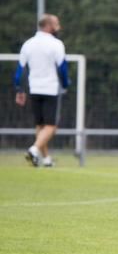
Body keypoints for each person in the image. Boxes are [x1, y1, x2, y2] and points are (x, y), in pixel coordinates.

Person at [14, 14, 70, 168]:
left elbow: (20, 70)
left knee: (40, 126)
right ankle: (33, 149)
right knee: (51, 126)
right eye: (56, 24)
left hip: (34, 88)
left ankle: (45, 159)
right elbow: (62, 68)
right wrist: (65, 84)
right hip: (50, 88)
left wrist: (19, 89)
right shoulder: (56, 44)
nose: (59, 28)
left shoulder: (28, 44)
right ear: (49, 26)